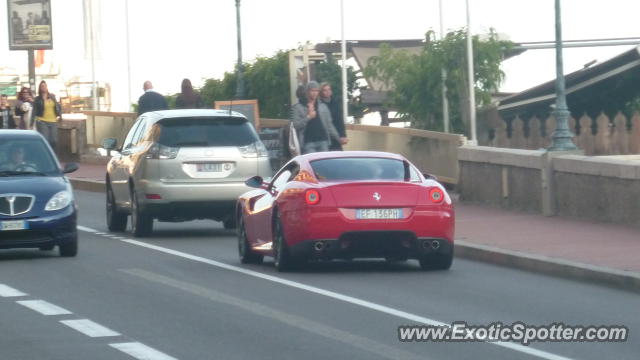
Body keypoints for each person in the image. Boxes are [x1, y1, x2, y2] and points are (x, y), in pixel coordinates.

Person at [291, 81, 340, 154]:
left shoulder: (323, 106)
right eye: (312, 90)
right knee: (312, 164)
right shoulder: (298, 107)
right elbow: (296, 125)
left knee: (324, 164)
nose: (315, 93)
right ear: (307, 91)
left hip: (323, 141)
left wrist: (338, 138)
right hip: (308, 142)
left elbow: (329, 125)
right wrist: (309, 117)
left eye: (317, 91)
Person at [319, 82, 348, 150]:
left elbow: (340, 120)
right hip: (325, 137)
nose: (328, 92)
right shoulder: (320, 104)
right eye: (325, 90)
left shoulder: (335, 103)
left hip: (336, 135)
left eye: (329, 89)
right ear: (321, 92)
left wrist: (343, 135)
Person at [34, 80, 61, 150]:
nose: (44, 88)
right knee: (46, 140)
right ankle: (46, 154)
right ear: (39, 88)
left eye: (45, 86)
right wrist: (31, 123)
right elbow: (34, 111)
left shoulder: (52, 96)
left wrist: (60, 115)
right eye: (42, 86)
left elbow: (57, 106)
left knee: (54, 140)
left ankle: (50, 153)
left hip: (53, 121)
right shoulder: (37, 99)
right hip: (42, 121)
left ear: (47, 87)